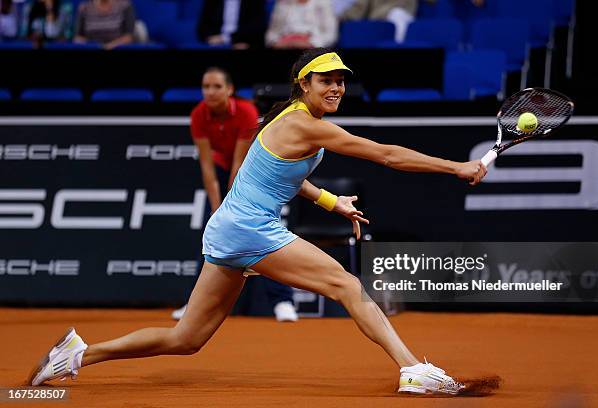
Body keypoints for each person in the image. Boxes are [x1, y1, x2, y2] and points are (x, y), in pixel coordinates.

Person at [27, 48, 487, 395]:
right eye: (327, 80)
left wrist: (332, 202)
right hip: (250, 230)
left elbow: (283, 177)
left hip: (230, 229)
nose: (337, 88)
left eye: (342, 82)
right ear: (303, 83)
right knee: (347, 285)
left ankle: (78, 355)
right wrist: (456, 167)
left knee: (186, 339)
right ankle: (413, 370)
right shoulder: (307, 124)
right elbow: (386, 154)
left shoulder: (291, 120)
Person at [172, 66, 299, 323]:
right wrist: (217, 209)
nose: (210, 92)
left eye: (217, 86)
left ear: (229, 90)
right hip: (221, 167)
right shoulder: (198, 115)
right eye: (206, 87)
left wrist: (231, 206)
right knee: (214, 233)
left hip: (253, 171)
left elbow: (239, 166)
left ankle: (283, 301)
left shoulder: (246, 112)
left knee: (267, 237)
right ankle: (194, 306)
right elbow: (207, 167)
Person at [265, 0, 338, 49]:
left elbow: (330, 35)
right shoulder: (282, 3)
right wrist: (276, 42)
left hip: (311, 47)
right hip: (284, 45)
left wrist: (311, 43)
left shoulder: (324, 3)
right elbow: (271, 33)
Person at [197, 0, 266, 49]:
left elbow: (256, 27)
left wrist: (227, 38)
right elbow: (203, 27)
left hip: (243, 40)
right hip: (216, 41)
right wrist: (210, 38)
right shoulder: (213, 2)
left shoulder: (254, 2)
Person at [340, 0, 418, 43]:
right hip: (378, 20)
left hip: (401, 15)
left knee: (397, 14)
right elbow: (358, 8)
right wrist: (340, 18)